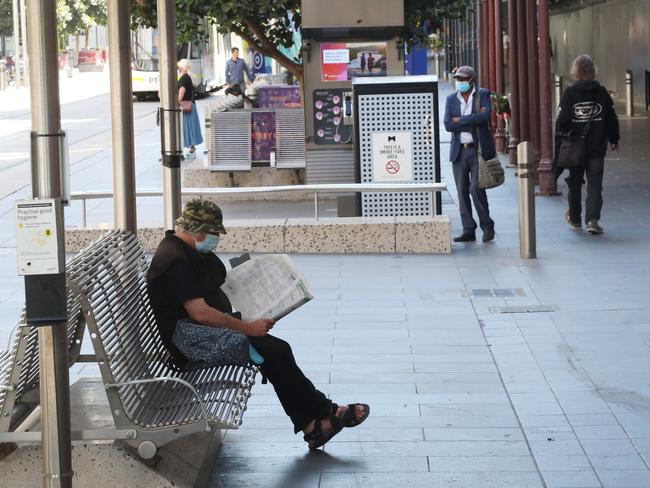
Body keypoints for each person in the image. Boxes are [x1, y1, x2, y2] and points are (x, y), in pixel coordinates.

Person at [146, 199, 370, 450]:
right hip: (192, 342)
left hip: (199, 332)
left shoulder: (182, 250)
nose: (215, 239)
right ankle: (323, 415)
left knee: (275, 351)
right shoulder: (175, 261)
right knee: (275, 351)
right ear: (198, 231)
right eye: (213, 233)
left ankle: (315, 423)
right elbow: (199, 313)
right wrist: (248, 328)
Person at [557, 54, 619, 235]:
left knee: (575, 183)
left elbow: (562, 120)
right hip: (597, 147)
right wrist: (614, 139)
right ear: (593, 71)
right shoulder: (602, 92)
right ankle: (592, 220)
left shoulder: (569, 93)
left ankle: (575, 218)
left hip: (575, 148)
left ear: (575, 71)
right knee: (595, 184)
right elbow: (611, 119)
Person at [443, 65, 496, 243]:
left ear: (471, 80)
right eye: (457, 79)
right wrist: (471, 120)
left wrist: (462, 120)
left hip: (478, 150)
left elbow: (485, 117)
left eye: (463, 79)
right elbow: (448, 124)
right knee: (461, 190)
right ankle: (468, 229)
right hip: (459, 151)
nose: (459, 82)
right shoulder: (451, 99)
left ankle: (487, 226)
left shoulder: (482, 95)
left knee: (476, 188)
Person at [177, 59, 203, 159]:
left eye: (179, 67)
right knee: (191, 128)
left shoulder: (184, 78)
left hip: (185, 107)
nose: (178, 68)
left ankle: (184, 152)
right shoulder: (189, 77)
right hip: (191, 106)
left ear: (182, 67)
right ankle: (192, 150)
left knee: (185, 129)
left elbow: (181, 93)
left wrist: (176, 102)